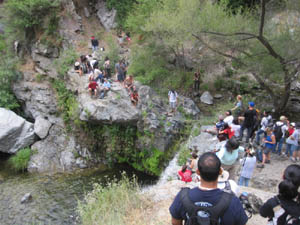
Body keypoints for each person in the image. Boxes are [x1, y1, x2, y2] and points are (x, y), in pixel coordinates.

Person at [169, 152, 248, 225]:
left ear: (198, 172)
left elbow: (175, 222)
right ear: (220, 171)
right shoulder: (233, 201)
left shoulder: (182, 196)